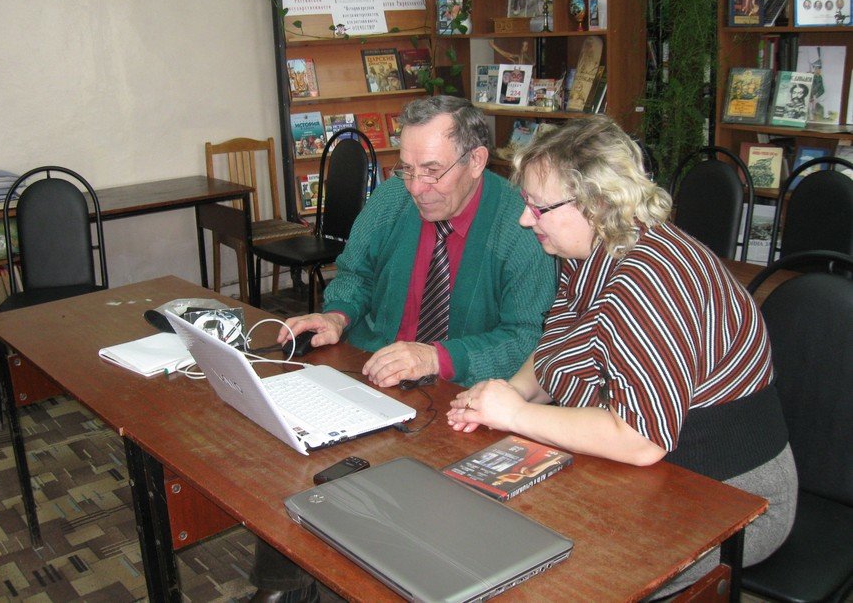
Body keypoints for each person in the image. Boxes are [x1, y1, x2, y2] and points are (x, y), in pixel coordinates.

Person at [447, 116, 798, 597]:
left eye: (538, 207)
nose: (526, 219)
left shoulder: (651, 280)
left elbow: (640, 439)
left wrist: (515, 414)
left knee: (546, 580)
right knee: (489, 532)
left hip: (730, 496)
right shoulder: (591, 250)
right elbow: (558, 347)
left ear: (596, 203)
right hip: (649, 475)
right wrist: (513, 391)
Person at [250, 95, 558, 602]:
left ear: (477, 161)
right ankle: (286, 590)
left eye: (432, 171)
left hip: (460, 399)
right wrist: (337, 315)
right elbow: (356, 272)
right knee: (294, 457)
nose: (417, 187)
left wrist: (435, 355)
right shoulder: (395, 198)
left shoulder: (519, 225)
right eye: (407, 170)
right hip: (374, 372)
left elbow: (530, 339)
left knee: (412, 523)